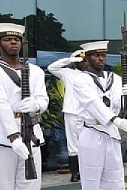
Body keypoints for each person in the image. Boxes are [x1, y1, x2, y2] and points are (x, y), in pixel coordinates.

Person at [0, 23, 48, 190]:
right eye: (8, 39)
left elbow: (43, 99)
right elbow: (1, 104)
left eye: (17, 39)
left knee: (31, 186)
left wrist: (37, 104)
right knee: (1, 186)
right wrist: (14, 137)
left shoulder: (36, 71)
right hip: (3, 137)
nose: (14, 43)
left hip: (31, 134)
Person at [72, 40, 127, 189]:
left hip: (112, 133)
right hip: (92, 132)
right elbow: (92, 102)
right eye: (96, 56)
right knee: (91, 180)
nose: (101, 58)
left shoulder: (115, 79)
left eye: (103, 55)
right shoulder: (80, 79)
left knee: (115, 179)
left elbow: (120, 105)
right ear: (86, 59)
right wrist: (114, 119)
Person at [47, 49, 85, 182]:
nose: (82, 63)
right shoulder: (68, 73)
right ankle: (75, 173)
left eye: (84, 60)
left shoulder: (93, 74)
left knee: (89, 143)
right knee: (73, 144)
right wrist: (69, 60)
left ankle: (87, 171)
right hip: (73, 112)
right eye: (79, 61)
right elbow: (51, 68)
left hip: (90, 113)